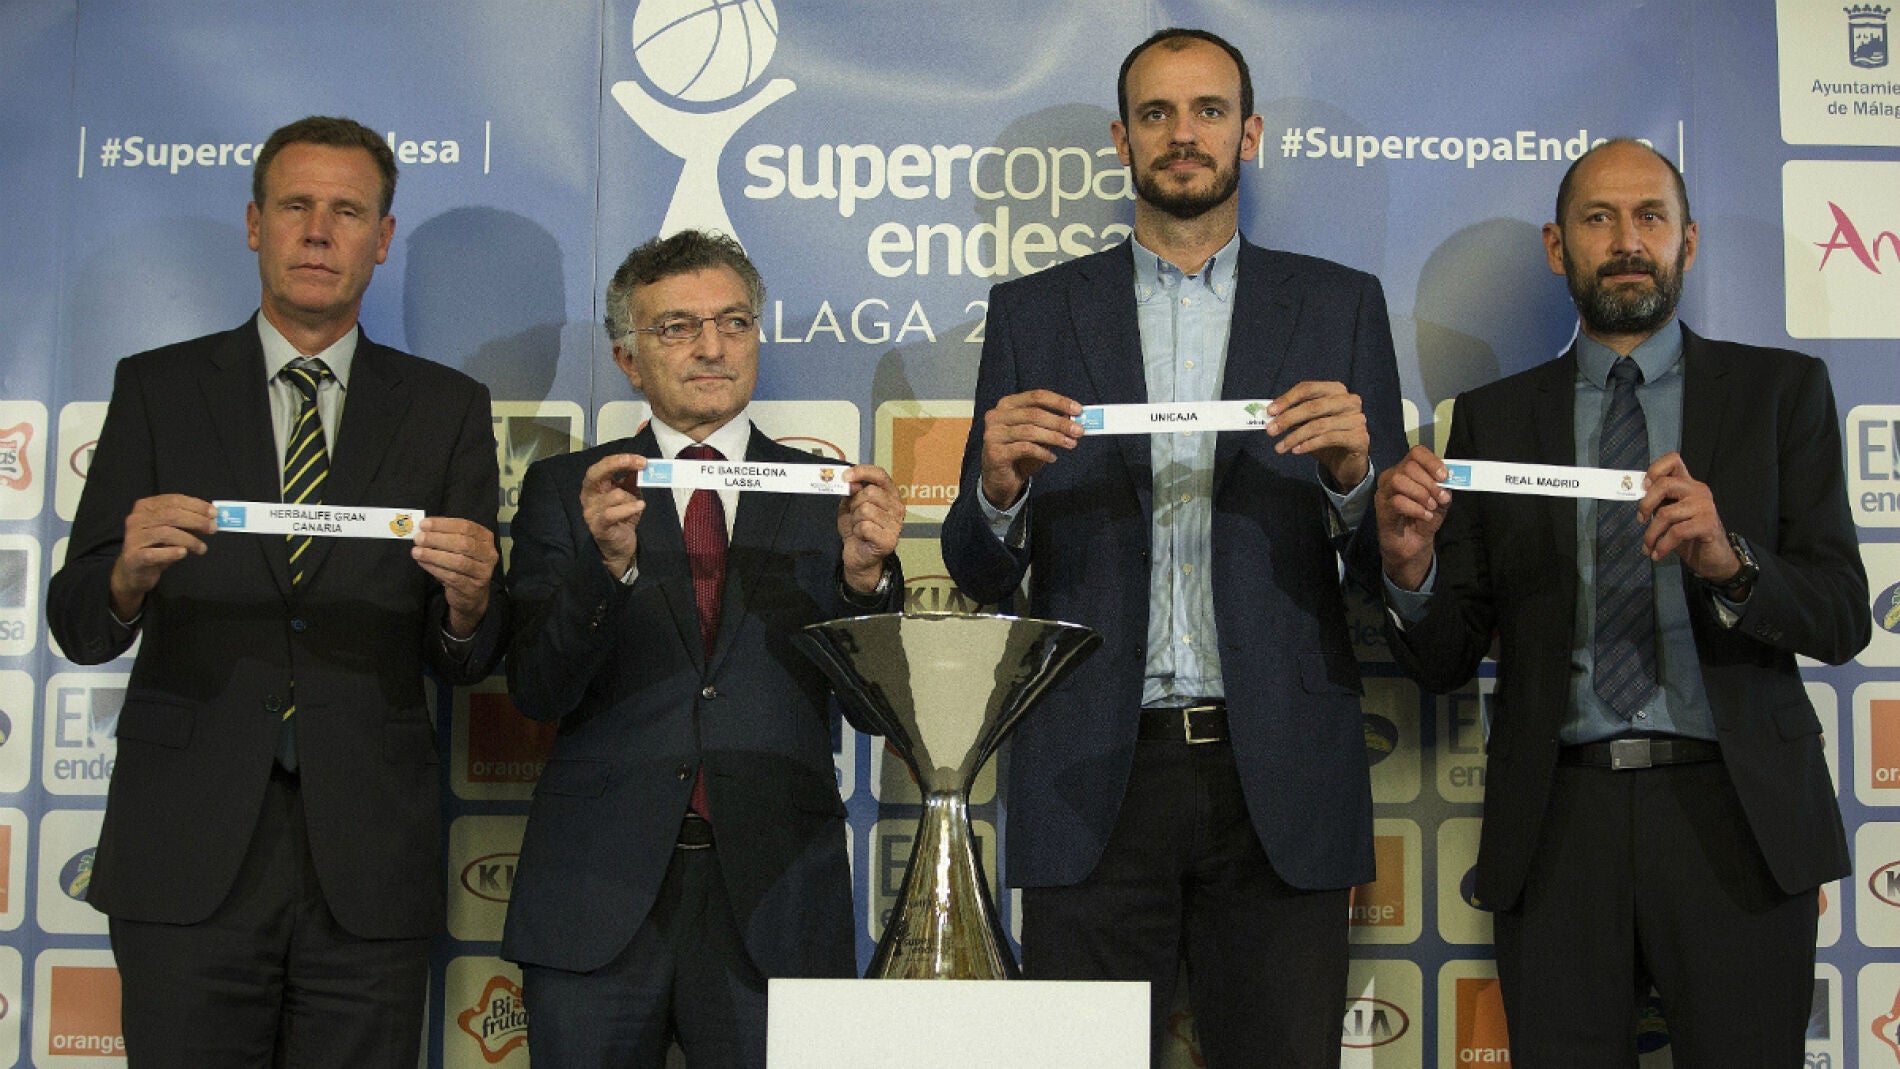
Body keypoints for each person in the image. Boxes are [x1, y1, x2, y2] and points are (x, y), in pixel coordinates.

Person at [940, 28, 1405, 1068]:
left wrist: (1353, 482)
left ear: (1250, 133)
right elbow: (978, 570)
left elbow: (1396, 568)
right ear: (1121, 138)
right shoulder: (1035, 313)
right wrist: (997, 487)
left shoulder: (1339, 306)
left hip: (1278, 769)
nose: (1181, 135)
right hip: (1090, 773)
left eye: (1205, 111)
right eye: (1156, 114)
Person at [1374, 138, 1869, 1066]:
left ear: (1691, 241)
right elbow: (1445, 655)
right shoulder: (1493, 419)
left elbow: (1844, 616)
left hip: (1738, 819)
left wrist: (1731, 561)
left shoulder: (1781, 393)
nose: (1628, 239)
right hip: (1560, 823)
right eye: (1599, 219)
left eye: (1652, 217)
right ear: (1558, 247)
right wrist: (1409, 570)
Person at [46, 115, 507, 1066]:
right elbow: (79, 622)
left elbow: (467, 651)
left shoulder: (445, 408)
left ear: (381, 240)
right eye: (296, 206)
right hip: (186, 847)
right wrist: (125, 576)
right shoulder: (157, 389)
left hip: (367, 858)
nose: (317, 231)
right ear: (254, 223)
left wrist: (469, 605)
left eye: (347, 211)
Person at [502, 229, 906, 1068]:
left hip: (776, 899)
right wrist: (605, 570)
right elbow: (538, 689)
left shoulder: (821, 496)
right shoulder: (568, 491)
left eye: (733, 321)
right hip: (597, 899)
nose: (712, 347)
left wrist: (865, 580)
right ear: (626, 357)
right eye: (677, 327)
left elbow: (877, 713)